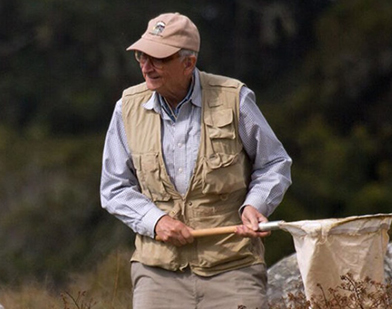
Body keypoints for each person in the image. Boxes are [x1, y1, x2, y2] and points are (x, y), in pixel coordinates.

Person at [100, 12, 292, 309]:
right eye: (141, 56)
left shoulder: (235, 99)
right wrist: (156, 221)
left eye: (158, 58)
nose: (146, 67)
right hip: (157, 273)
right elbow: (114, 188)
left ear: (188, 63)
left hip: (233, 267)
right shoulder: (126, 109)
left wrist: (256, 205)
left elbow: (274, 163)